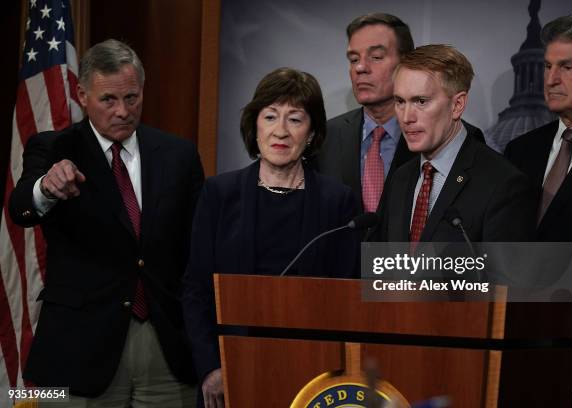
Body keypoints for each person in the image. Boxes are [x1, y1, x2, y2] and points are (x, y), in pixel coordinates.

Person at [9, 39, 203, 407]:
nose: (122, 111)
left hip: (166, 347)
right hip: (79, 349)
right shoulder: (54, 148)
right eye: (108, 100)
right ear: (82, 95)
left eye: (132, 98)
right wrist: (45, 189)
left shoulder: (179, 155)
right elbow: (20, 210)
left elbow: (197, 249)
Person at [182, 67, 360, 407]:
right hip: (231, 373)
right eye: (270, 116)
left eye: (295, 119)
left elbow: (345, 296)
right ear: (255, 126)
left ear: (311, 132)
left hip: (314, 375)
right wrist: (211, 367)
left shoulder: (337, 201)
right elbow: (196, 290)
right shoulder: (219, 193)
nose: (281, 131)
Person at [504, 13, 572, 407]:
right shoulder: (521, 150)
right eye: (548, 66)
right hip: (519, 344)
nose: (550, 78)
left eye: (567, 67)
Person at [315, 13, 485, 215]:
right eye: (353, 59)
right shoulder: (327, 136)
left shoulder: (453, 138)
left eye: (376, 57)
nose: (360, 67)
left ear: (406, 62)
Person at [370, 44, 535, 243]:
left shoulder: (503, 183)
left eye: (421, 101)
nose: (406, 117)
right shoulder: (400, 178)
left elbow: (506, 273)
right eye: (400, 101)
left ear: (457, 105)